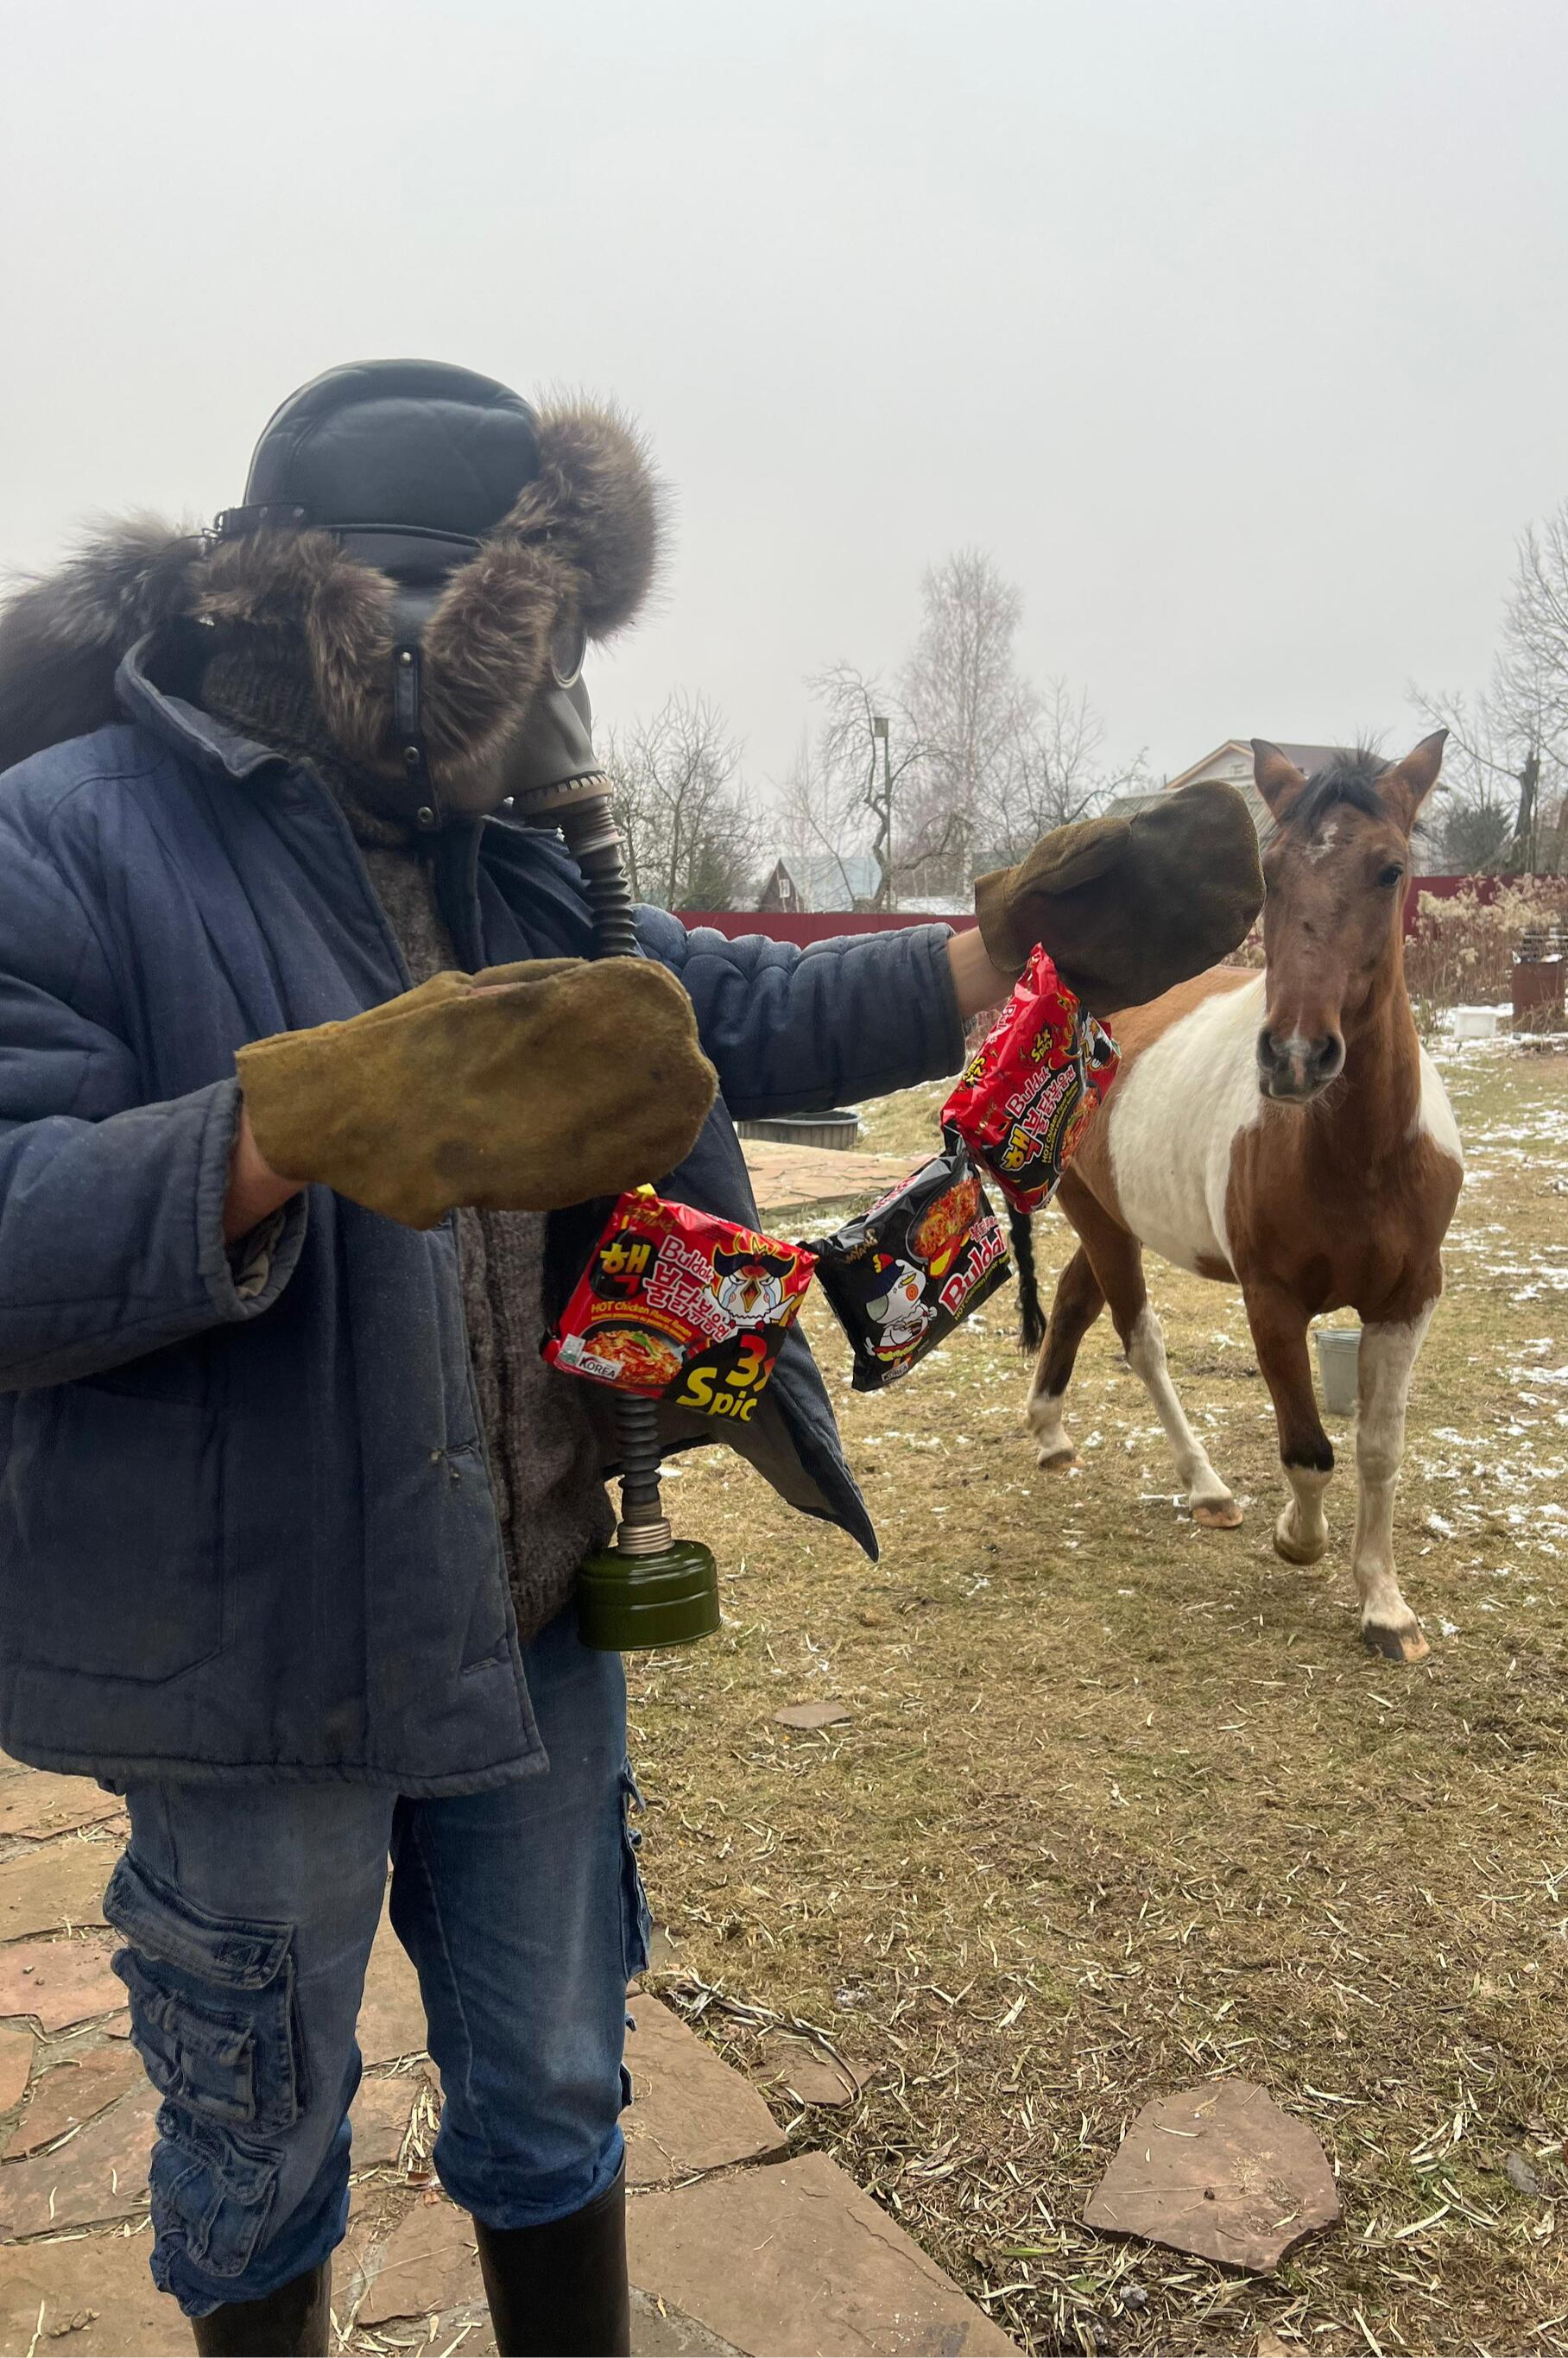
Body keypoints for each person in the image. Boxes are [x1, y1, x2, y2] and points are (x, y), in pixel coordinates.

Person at [0, 360, 1262, 2355]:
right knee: (260, 2134)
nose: (490, 694)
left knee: (560, 2086)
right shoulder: (62, 838)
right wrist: (279, 1132)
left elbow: (736, 1011)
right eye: (450, 640)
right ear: (323, 624)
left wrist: (1009, 946)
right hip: (240, 1662)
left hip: (530, 1614)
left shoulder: (523, 861)